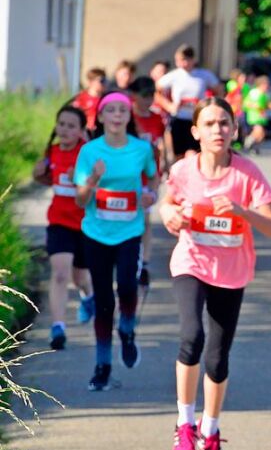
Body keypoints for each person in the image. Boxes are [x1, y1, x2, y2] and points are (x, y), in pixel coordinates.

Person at [159, 97, 271, 450]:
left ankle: (210, 432)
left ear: (234, 130)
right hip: (191, 263)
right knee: (191, 337)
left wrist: (242, 212)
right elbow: (168, 205)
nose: (217, 130)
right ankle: (185, 425)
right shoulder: (184, 169)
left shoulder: (246, 174)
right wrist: (171, 216)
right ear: (196, 132)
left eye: (224, 123)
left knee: (216, 358)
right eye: (209, 124)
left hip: (231, 272)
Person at [74, 92, 159, 391]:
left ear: (129, 115)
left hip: (129, 231)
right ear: (100, 116)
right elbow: (81, 200)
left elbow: (153, 178)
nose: (117, 115)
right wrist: (94, 180)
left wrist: (151, 196)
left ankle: (127, 329)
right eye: (110, 110)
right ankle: (103, 365)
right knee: (103, 300)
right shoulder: (89, 152)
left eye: (122, 110)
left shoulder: (141, 149)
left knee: (126, 285)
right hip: (96, 233)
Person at [31, 105, 94, 350]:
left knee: (79, 278)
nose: (65, 130)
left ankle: (88, 296)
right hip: (58, 223)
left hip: (85, 225)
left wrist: (82, 177)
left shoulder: (86, 154)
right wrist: (38, 174)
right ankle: (58, 327)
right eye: (62, 124)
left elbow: (99, 184)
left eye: (71, 126)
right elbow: (45, 176)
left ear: (80, 131)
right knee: (59, 273)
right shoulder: (52, 151)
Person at [129, 76, 168, 290]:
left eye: (151, 95)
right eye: (144, 96)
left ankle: (143, 262)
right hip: (129, 177)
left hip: (149, 175)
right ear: (134, 96)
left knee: (145, 219)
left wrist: (166, 163)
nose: (148, 100)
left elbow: (161, 144)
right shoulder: (127, 118)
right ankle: (128, 257)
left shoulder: (156, 119)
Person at [156, 44, 223, 161]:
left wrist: (210, 107)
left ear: (192, 60)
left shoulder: (203, 75)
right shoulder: (174, 75)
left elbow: (219, 90)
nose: (179, 63)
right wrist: (169, 106)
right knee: (179, 156)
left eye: (182, 60)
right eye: (177, 60)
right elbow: (156, 91)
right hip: (178, 119)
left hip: (196, 120)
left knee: (194, 154)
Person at [242, 75, 271, 154]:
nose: (267, 87)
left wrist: (270, 105)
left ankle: (255, 148)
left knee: (261, 135)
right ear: (261, 85)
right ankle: (248, 141)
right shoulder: (254, 92)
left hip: (262, 116)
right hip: (255, 116)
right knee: (258, 131)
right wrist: (255, 105)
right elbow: (246, 103)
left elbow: (266, 104)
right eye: (266, 85)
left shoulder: (265, 94)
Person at [73, 67, 106, 134]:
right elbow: (74, 116)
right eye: (101, 81)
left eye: (105, 80)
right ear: (91, 82)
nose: (104, 83)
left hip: (101, 132)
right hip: (85, 132)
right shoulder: (81, 98)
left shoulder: (106, 99)